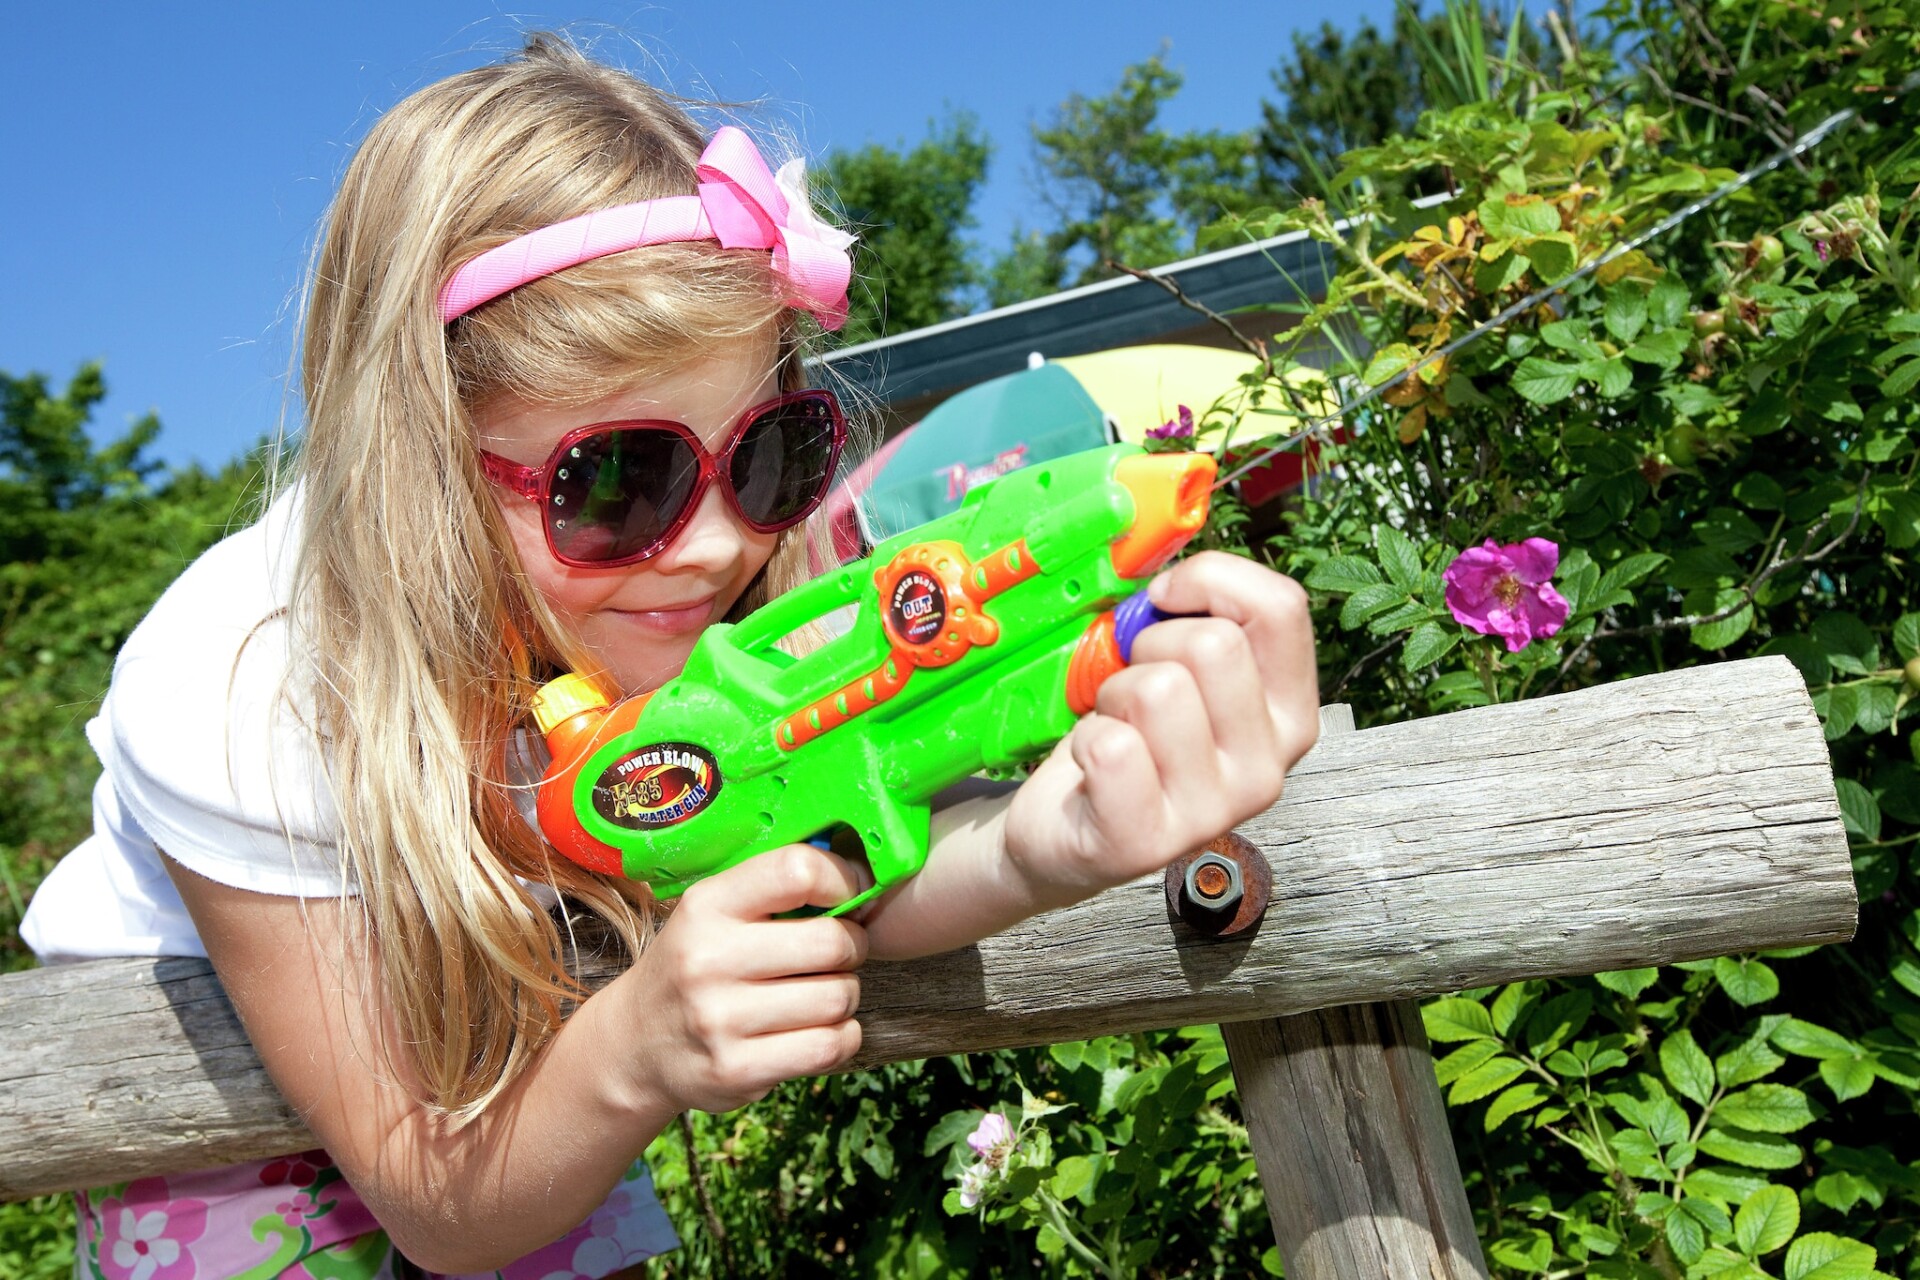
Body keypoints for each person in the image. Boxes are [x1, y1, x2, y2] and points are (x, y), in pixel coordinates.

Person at [21, 33, 1321, 1280]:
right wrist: (629, 1058)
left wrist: (1047, 841)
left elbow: (825, 865)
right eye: (617, 480)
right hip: (236, 1159)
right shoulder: (242, 683)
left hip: (555, 1079)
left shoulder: (684, 611)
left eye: (769, 457)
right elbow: (433, 1198)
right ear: (418, 458)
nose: (712, 547)